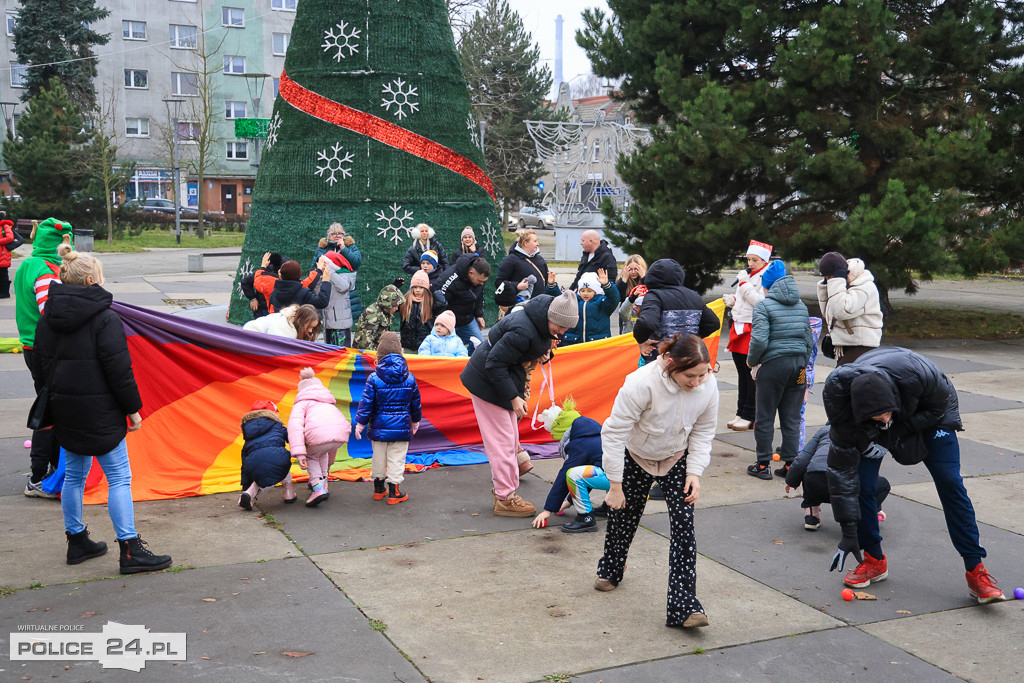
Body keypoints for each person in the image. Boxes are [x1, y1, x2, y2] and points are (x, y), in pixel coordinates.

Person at [822, 347, 1006, 602]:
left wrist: (892, 434)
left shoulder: (920, 375)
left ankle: (976, 571)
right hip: (883, 409)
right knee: (863, 485)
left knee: (950, 482)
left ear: (894, 400)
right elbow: (841, 473)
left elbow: (938, 406)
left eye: (887, 413)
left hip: (933, 411)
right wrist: (848, 534)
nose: (885, 419)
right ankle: (874, 559)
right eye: (878, 417)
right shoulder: (840, 398)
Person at [35, 246, 172, 573]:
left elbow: (41, 366)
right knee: (119, 476)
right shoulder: (105, 318)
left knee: (74, 476)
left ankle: (77, 541)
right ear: (92, 280)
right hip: (100, 412)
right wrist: (133, 410)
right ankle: (129, 549)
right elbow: (119, 370)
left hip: (64, 408)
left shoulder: (48, 317)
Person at [595, 333, 718, 629]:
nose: (697, 382)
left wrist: (694, 472)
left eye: (703, 374)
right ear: (670, 364)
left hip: (676, 458)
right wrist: (614, 484)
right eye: (691, 375)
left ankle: (684, 607)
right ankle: (611, 569)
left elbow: (703, 431)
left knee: (684, 529)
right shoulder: (641, 383)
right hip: (637, 455)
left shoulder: (707, 385)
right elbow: (614, 433)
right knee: (623, 516)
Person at [460, 291, 579, 517]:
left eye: (566, 328)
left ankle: (513, 472)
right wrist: (514, 398)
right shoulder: (522, 330)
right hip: (487, 382)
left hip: (499, 380)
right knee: (502, 441)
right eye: (561, 327)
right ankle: (505, 497)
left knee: (509, 436)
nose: (562, 332)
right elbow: (494, 363)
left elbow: (529, 348)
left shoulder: (541, 320)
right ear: (551, 316)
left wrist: (543, 355)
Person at [14, 217, 72, 499]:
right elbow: (51, 311)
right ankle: (38, 476)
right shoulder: (46, 271)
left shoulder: (29, 263)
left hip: (32, 345)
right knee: (50, 410)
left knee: (49, 405)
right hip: (45, 349)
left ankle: (50, 467)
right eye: (66, 240)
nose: (68, 245)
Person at [745, 260, 813, 480]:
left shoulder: (764, 306)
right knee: (791, 417)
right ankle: (791, 465)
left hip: (773, 366)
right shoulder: (801, 306)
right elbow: (809, 341)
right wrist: (801, 362)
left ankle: (763, 464)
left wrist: (751, 361)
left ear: (769, 285)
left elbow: (759, 341)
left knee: (765, 415)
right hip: (799, 367)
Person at [354, 332, 422, 504]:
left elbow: (366, 403)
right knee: (396, 458)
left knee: (378, 457)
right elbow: (415, 403)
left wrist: (360, 423)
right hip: (401, 428)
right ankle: (394, 492)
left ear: (379, 356)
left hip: (378, 428)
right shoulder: (410, 377)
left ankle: (378, 489)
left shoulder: (374, 378)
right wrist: (415, 421)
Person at [785, 425, 889, 531]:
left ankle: (811, 516)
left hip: (816, 485)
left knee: (811, 471)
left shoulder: (825, 430)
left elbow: (803, 459)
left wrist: (791, 481)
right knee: (883, 485)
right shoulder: (867, 434)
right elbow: (870, 475)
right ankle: (859, 518)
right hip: (844, 487)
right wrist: (876, 507)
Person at [532, 399, 609, 533]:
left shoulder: (579, 445)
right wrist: (567, 502)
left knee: (572, 474)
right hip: (627, 478)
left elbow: (564, 476)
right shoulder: (595, 435)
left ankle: (586, 519)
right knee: (593, 470)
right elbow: (589, 475)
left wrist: (548, 509)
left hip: (618, 479)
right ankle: (609, 507)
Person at [722, 240, 772, 432]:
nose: (750, 263)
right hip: (739, 327)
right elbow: (743, 298)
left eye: (755, 260)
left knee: (751, 374)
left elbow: (760, 303)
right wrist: (733, 299)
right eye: (748, 259)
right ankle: (741, 412)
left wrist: (743, 284)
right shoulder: (748, 275)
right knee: (742, 375)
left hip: (753, 330)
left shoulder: (766, 276)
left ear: (764, 260)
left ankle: (751, 414)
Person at [287, 367, 351, 507]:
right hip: (340, 436)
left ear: (302, 391)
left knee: (312, 456)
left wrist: (300, 454)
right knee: (322, 452)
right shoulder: (328, 403)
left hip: (317, 437)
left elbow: (294, 427)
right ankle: (324, 483)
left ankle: (317, 487)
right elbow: (333, 429)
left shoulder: (302, 403)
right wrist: (330, 463)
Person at [632, 258, 720, 360]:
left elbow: (647, 323)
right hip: (691, 356)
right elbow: (713, 323)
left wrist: (641, 340)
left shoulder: (654, 295)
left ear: (651, 276)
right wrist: (693, 337)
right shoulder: (694, 295)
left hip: (663, 357)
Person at [816, 252, 883, 365]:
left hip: (861, 346)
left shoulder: (865, 287)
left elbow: (841, 311)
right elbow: (828, 313)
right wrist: (826, 286)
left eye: (829, 277)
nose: (828, 280)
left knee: (839, 380)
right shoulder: (841, 285)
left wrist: (836, 281)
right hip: (845, 345)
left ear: (839, 274)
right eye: (825, 277)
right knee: (839, 380)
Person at [238, 400, 297, 509]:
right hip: (278, 458)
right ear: (272, 414)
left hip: (253, 462)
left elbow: (244, 463)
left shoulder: (248, 434)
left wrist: (245, 485)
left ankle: (247, 493)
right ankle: (289, 492)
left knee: (261, 471)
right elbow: (293, 438)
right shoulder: (278, 426)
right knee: (279, 461)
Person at [494, 228, 559, 312]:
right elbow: (499, 283)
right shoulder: (510, 260)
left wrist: (551, 283)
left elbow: (545, 284)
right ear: (526, 243)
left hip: (541, 307)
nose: (538, 244)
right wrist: (517, 286)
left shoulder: (540, 259)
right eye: (535, 241)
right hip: (520, 309)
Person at [310, 223, 364, 322]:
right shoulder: (322, 249)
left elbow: (356, 262)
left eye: (340, 233)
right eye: (334, 233)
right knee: (329, 318)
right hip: (327, 286)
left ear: (344, 235)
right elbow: (314, 267)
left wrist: (344, 248)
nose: (337, 235)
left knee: (347, 317)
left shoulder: (350, 247)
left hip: (347, 289)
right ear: (329, 235)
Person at [437, 253, 490, 353]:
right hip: (449, 322)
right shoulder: (450, 277)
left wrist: (479, 315)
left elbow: (479, 296)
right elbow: (438, 301)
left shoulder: (479, 278)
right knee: (446, 351)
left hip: (468, 319)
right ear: (470, 273)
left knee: (480, 348)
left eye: (484, 281)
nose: (482, 283)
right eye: (480, 280)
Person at [562, 270, 621, 345]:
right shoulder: (573, 300)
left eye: (589, 291)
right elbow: (559, 301)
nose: (585, 293)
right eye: (582, 291)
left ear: (595, 291)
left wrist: (607, 285)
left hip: (597, 344)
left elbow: (614, 298)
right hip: (574, 343)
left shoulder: (602, 302)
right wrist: (552, 287)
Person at [352, 284, 404, 350]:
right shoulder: (373, 314)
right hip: (366, 354)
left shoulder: (385, 312)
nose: (396, 309)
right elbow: (366, 342)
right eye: (395, 306)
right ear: (388, 305)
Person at [322, 251, 357, 347]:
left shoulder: (344, 275)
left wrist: (329, 272)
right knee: (329, 355)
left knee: (342, 355)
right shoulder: (328, 275)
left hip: (340, 323)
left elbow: (344, 286)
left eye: (326, 263)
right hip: (328, 322)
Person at [398, 270, 437, 352]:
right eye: (415, 287)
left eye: (421, 287)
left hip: (425, 346)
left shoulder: (430, 302)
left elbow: (442, 304)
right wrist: (395, 287)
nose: (418, 290)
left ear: (426, 288)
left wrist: (434, 290)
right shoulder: (405, 301)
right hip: (407, 345)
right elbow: (390, 303)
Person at [243, 304, 322, 342]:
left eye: (313, 328)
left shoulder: (291, 321)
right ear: (300, 320)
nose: (311, 331)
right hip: (249, 339)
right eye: (309, 327)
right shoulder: (282, 328)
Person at [615, 254, 647, 334]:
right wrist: (624, 280)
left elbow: (651, 291)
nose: (633, 272)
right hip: (627, 319)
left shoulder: (647, 279)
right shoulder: (623, 281)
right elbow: (618, 297)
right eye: (630, 269)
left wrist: (643, 277)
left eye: (636, 269)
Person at [0, 217, 17, 298]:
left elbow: (10, 238)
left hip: (3, 254)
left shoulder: (5, 226)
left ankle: (5, 292)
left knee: (3, 274)